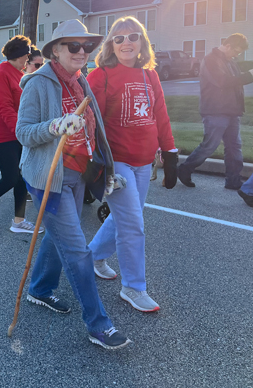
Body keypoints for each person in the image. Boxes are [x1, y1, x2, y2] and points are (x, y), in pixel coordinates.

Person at [17, 19, 130, 350]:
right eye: (74, 45)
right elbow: (23, 132)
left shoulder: (81, 80)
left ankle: (39, 288)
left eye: (87, 46)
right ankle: (99, 324)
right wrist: (55, 126)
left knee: (59, 236)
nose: (82, 52)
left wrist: (105, 172)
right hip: (49, 178)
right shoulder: (38, 83)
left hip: (79, 173)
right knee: (79, 251)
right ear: (55, 50)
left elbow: (93, 131)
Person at [87, 16, 177, 313]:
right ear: (111, 45)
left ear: (142, 42)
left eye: (133, 37)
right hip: (117, 163)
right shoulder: (101, 75)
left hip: (144, 161)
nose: (126, 43)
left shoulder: (150, 76)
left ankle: (92, 256)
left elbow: (160, 115)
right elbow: (91, 123)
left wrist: (170, 151)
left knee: (125, 217)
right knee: (133, 225)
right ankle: (133, 287)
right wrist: (96, 164)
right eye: (119, 38)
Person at [178, 34, 253, 189]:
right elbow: (223, 81)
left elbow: (236, 81)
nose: (236, 55)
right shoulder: (210, 60)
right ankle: (184, 169)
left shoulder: (230, 61)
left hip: (232, 111)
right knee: (210, 146)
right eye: (236, 51)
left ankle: (233, 181)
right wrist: (250, 75)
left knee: (234, 147)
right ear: (228, 45)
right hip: (215, 111)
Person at [0, 35, 35, 234]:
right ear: (19, 55)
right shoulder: (1, 74)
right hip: (4, 135)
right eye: (27, 54)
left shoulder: (20, 74)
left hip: (19, 132)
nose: (28, 58)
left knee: (23, 178)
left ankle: (19, 221)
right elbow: (4, 108)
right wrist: (20, 131)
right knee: (11, 177)